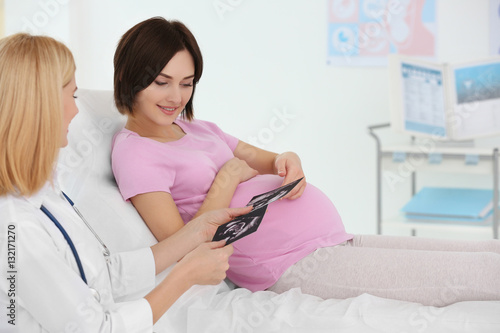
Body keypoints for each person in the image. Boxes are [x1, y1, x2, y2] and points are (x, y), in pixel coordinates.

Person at [111, 17, 500, 306]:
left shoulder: (196, 128)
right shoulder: (135, 153)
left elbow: (265, 159)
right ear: (130, 76)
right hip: (289, 264)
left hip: (329, 239)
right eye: (161, 82)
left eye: (187, 82)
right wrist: (228, 176)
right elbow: (181, 247)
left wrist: (289, 162)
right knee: (473, 275)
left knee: (487, 254)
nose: (176, 97)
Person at [0, 33, 252, 332]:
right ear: (41, 106)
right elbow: (96, 329)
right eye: (71, 95)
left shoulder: (46, 195)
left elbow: (103, 276)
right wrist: (184, 276)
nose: (76, 110)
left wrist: (196, 232)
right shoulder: (16, 229)